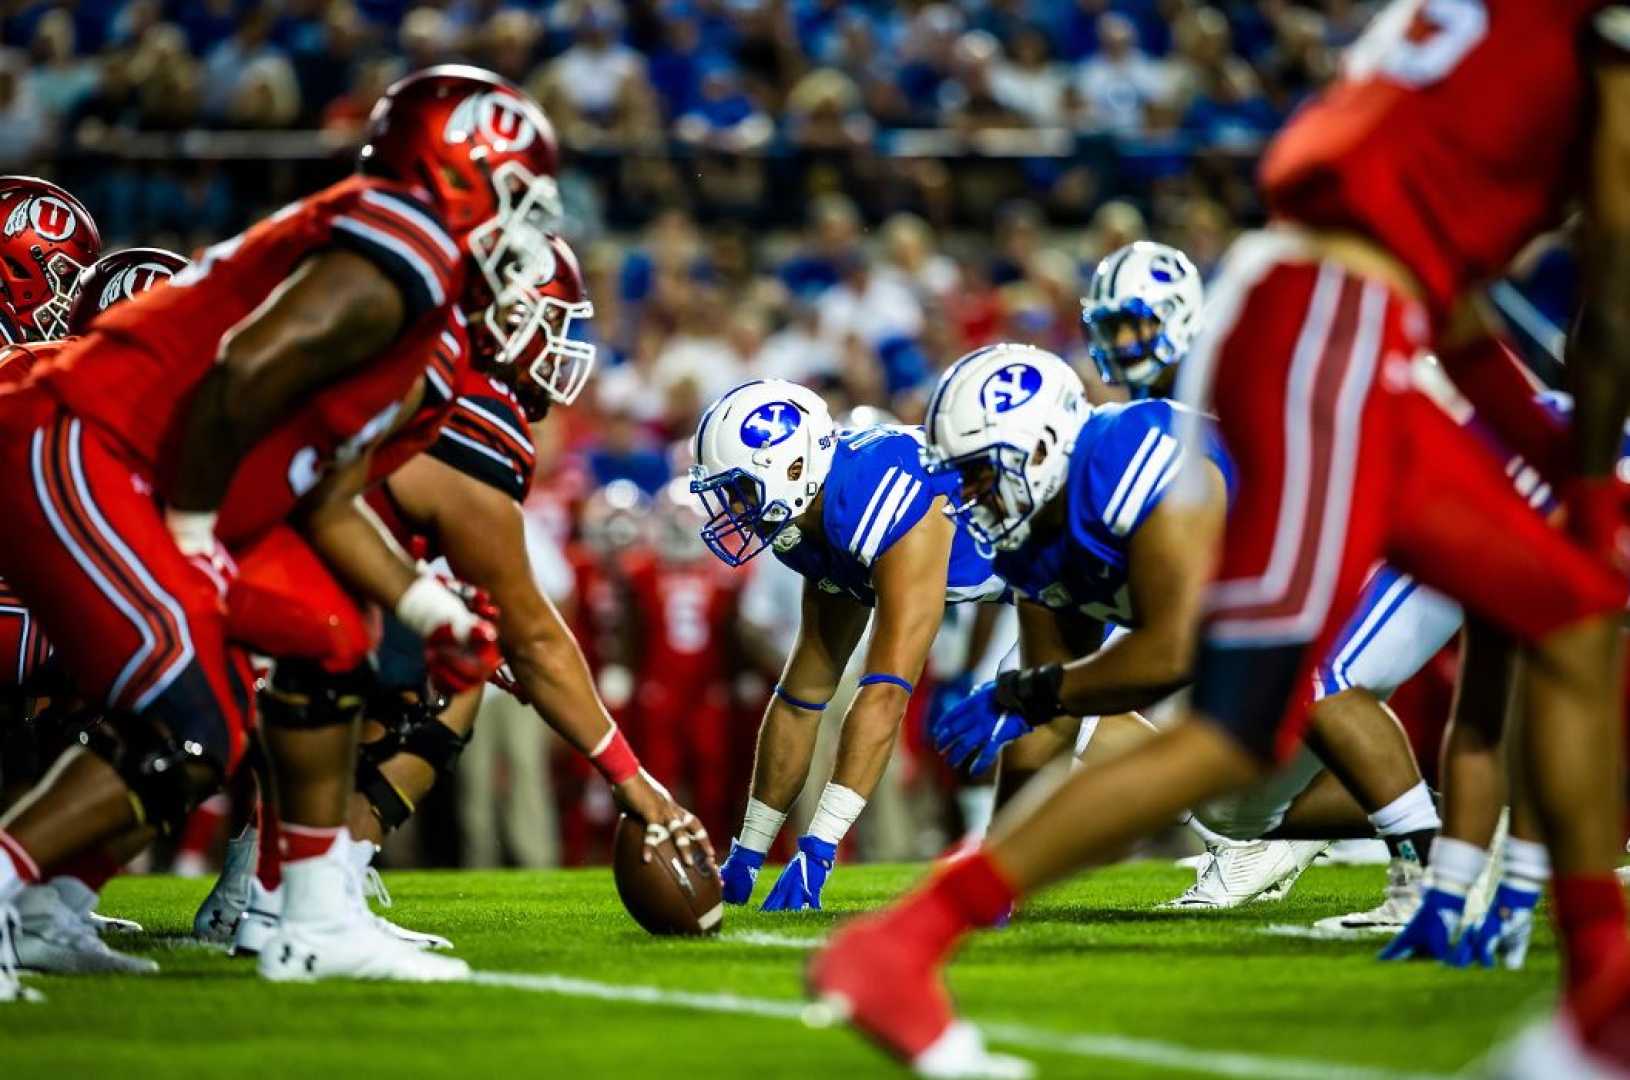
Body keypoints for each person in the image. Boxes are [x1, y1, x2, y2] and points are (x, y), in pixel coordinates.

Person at [809, 4, 1630, 1072]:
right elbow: (1610, 282)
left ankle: (1596, 984)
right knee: (1242, 725)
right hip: (1327, 325)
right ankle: (904, 943)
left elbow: (1439, 273)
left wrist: (1537, 443)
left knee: (1566, 607)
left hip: (1338, 314)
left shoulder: (1491, 44)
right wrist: (1584, 470)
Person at [0, 64, 565, 999]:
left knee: (337, 641)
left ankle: (311, 918)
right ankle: (18, 885)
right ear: (457, 171)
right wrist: (191, 536)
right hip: (94, 442)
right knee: (191, 722)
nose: (523, 226)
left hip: (134, 455)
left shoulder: (414, 296)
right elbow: (239, 374)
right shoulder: (402, 239)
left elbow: (329, 493)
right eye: (514, 194)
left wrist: (425, 606)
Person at [691, 380, 1007, 911]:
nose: (733, 507)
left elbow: (887, 690)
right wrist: (748, 855)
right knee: (1068, 715)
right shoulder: (815, 521)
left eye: (740, 488)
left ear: (792, 469)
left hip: (1079, 558)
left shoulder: (884, 494)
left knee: (1069, 718)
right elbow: (800, 699)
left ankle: (1200, 822)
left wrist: (817, 852)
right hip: (1033, 585)